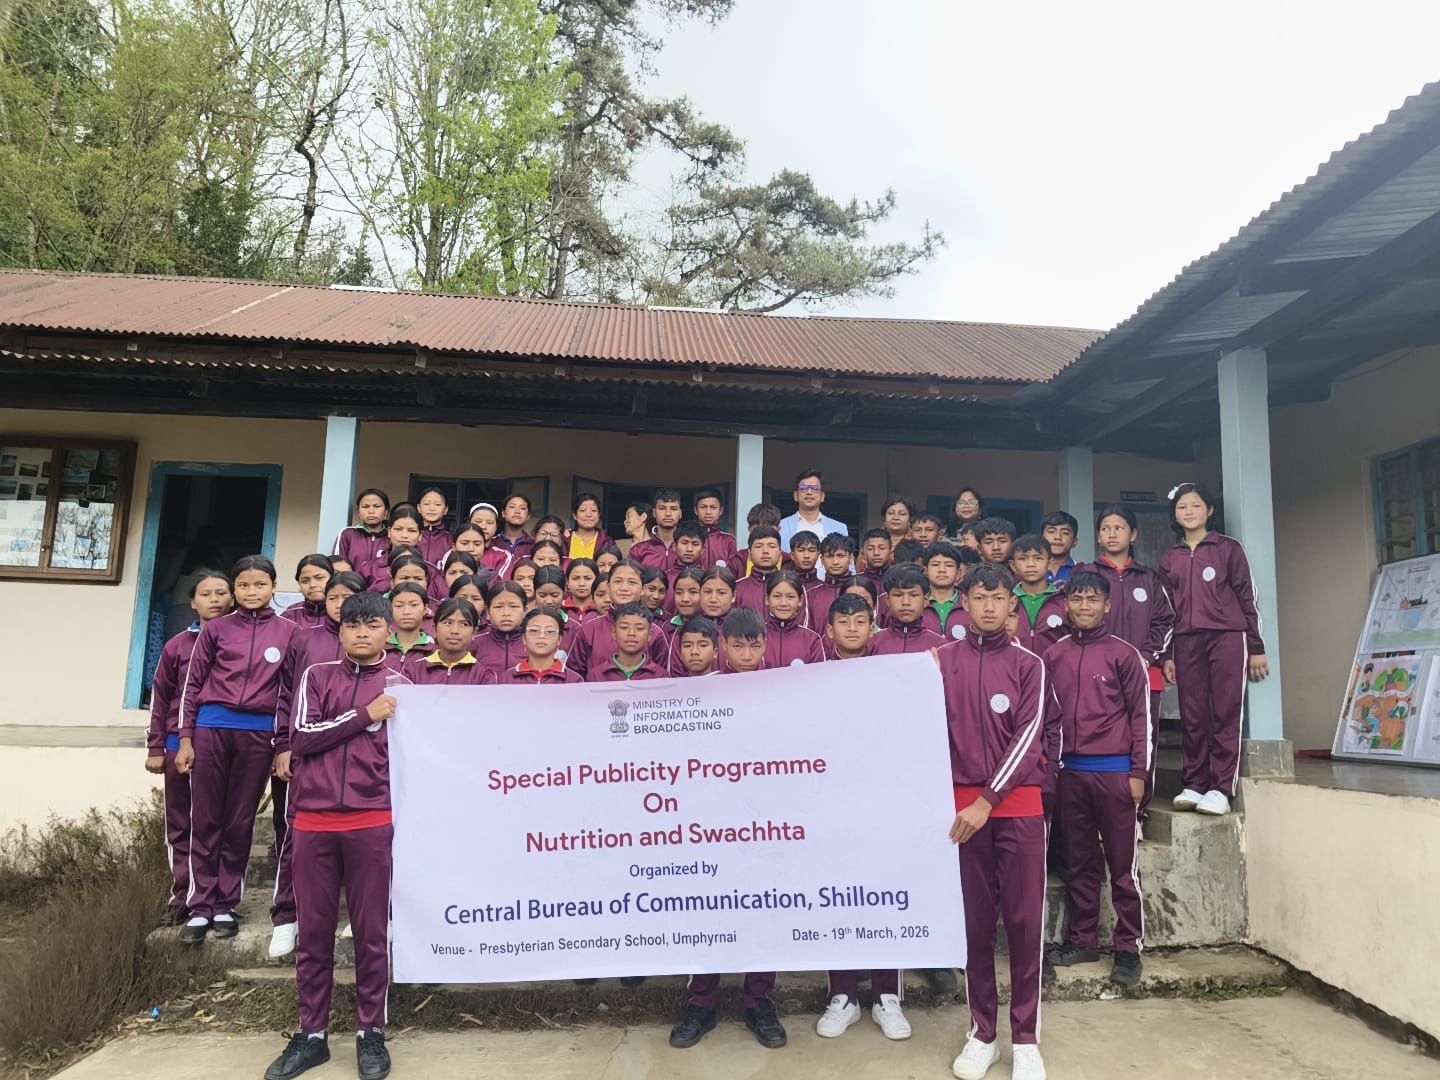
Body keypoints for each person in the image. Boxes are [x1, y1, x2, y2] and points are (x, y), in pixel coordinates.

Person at [264, 591, 403, 1080]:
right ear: (339, 632)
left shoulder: (403, 686)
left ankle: (371, 1033)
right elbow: (302, 737)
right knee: (315, 935)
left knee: (371, 934)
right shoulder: (317, 676)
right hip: (314, 822)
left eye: (372, 625)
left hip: (373, 821)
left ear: (389, 631)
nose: (362, 633)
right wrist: (366, 715)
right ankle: (312, 1035)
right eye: (352, 625)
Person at [937, 564, 1049, 1080]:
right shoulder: (941, 661)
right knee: (975, 926)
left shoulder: (1030, 664)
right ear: (964, 602)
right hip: (961, 814)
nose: (988, 607)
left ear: (1011, 605)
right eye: (979, 597)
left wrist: (987, 799)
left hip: (1017, 809)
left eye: (998, 598)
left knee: (1024, 925)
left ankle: (1025, 1040)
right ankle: (982, 1033)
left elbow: (1029, 737)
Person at [671, 606, 784, 1051]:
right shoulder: (699, 693)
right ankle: (701, 1002)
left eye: (754, 645)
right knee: (705, 907)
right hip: (711, 821)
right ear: (724, 647)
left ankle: (760, 1001)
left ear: (765, 645)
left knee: (763, 906)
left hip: (765, 820)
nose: (747, 654)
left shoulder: (783, 690)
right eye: (738, 645)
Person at [177, 555, 296, 944]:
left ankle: (225, 903)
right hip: (211, 729)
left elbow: (289, 694)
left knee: (240, 821)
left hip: (258, 735)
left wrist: (282, 743)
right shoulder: (216, 630)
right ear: (234, 590)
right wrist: (186, 737)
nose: (251, 592)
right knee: (205, 817)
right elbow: (192, 686)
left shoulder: (289, 632)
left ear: (273, 587)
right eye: (243, 585)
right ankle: (200, 906)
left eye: (260, 584)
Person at [1044, 571, 1150, 987]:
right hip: (1070, 774)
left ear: (1107, 606)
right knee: (1079, 863)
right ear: (1066, 605)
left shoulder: (1125, 655)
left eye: (1092, 600)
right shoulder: (1054, 655)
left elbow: (1142, 718)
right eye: (1077, 599)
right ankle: (1083, 939)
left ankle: (1128, 948)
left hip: (1115, 773)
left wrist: (1138, 773)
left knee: (1123, 867)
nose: (1084, 606)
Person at [818, 592, 910, 1042]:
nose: (852, 628)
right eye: (844, 621)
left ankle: (887, 995)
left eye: (860, 621)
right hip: (831, 801)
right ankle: (844, 995)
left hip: (882, 801)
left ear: (872, 628)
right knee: (837, 895)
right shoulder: (813, 678)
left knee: (884, 893)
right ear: (829, 629)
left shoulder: (892, 674)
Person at [268, 570, 365, 959]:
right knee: (297, 833)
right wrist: (283, 744)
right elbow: (284, 694)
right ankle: (286, 916)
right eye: (334, 597)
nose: (340, 604)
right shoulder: (304, 638)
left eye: (349, 597)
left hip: (361, 760)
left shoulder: (377, 641)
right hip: (310, 752)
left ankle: (355, 916)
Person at [1159, 482, 1268, 817]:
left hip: (1227, 638)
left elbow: (1248, 597)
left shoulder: (1228, 549)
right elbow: (1166, 610)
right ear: (1174, 515)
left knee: (1225, 711)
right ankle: (1194, 783)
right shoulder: (1170, 558)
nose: (1189, 512)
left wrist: (1256, 646)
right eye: (1182, 507)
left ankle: (1221, 787)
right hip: (1186, 640)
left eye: (1195, 505)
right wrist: (1168, 654)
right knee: (1193, 714)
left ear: (1209, 510)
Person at [146, 569, 233, 922]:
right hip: (175, 743)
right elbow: (161, 697)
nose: (214, 599)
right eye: (206, 594)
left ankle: (218, 896)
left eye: (221, 593)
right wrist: (155, 747)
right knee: (181, 823)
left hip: (222, 743)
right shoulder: (177, 646)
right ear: (193, 602)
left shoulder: (239, 643)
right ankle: (182, 895)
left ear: (232, 599)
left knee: (219, 822)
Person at [1078, 506, 1175, 813]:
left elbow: (1165, 621)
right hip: (1095, 674)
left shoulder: (1150, 578)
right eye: (1105, 528)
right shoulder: (1086, 575)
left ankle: (1138, 809)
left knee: (1144, 738)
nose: (1112, 534)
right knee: (1099, 736)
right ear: (1098, 536)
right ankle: (1100, 808)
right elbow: (1076, 618)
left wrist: (1146, 656)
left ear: (1133, 534)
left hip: (1144, 673)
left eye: (1119, 528)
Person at [567, 561, 667, 676]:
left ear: (643, 589)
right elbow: (576, 676)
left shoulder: (654, 633)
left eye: (632, 582)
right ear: (608, 586)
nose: (624, 588)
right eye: (618, 581)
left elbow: (662, 677)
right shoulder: (589, 630)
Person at [405, 598, 495, 686]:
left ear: (474, 632)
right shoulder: (413, 671)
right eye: (448, 623)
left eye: (464, 624)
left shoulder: (483, 676)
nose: (455, 631)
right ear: (434, 629)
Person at [1011, 533, 1070, 656]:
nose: (1031, 564)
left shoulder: (1064, 601)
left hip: (1056, 666)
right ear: (1013, 565)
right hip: (1015, 666)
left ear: (1050, 563)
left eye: (1038, 558)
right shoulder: (1007, 602)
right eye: (1023, 558)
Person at [669, 567, 735, 675]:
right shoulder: (685, 632)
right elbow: (676, 675)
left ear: (733, 596)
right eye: (707, 592)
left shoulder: (741, 628)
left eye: (721, 593)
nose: (713, 599)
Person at [778, 470, 848, 569]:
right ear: (796, 496)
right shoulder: (780, 526)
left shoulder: (839, 528)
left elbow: (848, 565)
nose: (809, 492)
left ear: (822, 496)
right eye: (803, 488)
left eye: (815, 489)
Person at [498, 607, 584, 684]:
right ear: (524, 638)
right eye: (534, 631)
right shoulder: (506, 678)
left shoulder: (574, 680)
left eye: (550, 631)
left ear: (559, 640)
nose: (541, 636)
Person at [871, 565, 944, 654]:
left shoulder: (941, 646)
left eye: (913, 595)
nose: (906, 602)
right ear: (887, 600)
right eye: (898, 595)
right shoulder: (872, 644)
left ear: (925, 600)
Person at [587, 603, 665, 681]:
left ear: (650, 635)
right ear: (614, 632)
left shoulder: (661, 676)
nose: (631, 633)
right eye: (624, 627)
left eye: (639, 628)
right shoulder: (596, 676)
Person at [763, 571, 825, 667]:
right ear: (767, 599)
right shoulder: (757, 637)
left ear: (800, 600)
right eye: (777, 596)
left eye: (790, 597)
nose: (783, 603)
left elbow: (819, 674)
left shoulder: (812, 640)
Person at [331, 488, 390, 588]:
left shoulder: (392, 536)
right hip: (352, 590)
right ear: (358, 512)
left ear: (386, 512)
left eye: (377, 506)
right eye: (365, 506)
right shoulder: (347, 534)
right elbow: (336, 566)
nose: (371, 511)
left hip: (383, 593)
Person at [473, 581, 529, 676]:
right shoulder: (474, 643)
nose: (506, 613)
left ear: (525, 611)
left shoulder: (534, 643)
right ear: (488, 612)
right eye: (498, 607)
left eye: (514, 606)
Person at [922, 542, 970, 641]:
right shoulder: (917, 604)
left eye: (948, 565)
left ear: (958, 573)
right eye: (935, 565)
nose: (942, 570)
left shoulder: (970, 605)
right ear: (926, 571)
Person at [367, 507, 423, 593]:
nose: (404, 535)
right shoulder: (369, 568)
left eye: (411, 530)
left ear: (420, 535)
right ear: (389, 532)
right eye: (398, 529)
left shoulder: (430, 571)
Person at [809, 533, 858, 629]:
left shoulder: (861, 590)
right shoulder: (811, 594)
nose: (835, 562)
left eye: (840, 556)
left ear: (851, 558)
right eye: (830, 556)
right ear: (822, 559)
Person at [384, 582, 434, 670]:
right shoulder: (380, 648)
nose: (406, 612)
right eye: (399, 606)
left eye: (414, 605)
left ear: (425, 609)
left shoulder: (434, 650)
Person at [735, 526, 784, 613]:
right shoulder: (737, 588)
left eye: (771, 546)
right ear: (749, 555)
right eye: (758, 546)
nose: (765, 551)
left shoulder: (791, 587)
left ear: (780, 554)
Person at [632, 488, 683, 570]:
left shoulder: (690, 548)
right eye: (662, 508)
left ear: (680, 514)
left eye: (673, 509)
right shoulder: (639, 550)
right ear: (654, 513)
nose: (668, 514)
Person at [694, 488, 739, 570]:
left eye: (713, 507)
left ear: (721, 510)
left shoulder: (729, 541)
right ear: (696, 510)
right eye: (703, 507)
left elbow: (734, 570)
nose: (708, 512)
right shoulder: (688, 539)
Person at [284, 555, 333, 629]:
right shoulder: (290, 615)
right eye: (305, 581)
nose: (312, 585)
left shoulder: (342, 612)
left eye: (319, 578)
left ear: (332, 578)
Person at [823, 593, 876, 660]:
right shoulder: (823, 666)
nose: (852, 628)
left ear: (871, 629)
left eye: (860, 621)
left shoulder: (883, 665)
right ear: (830, 630)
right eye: (843, 622)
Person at [492, 493, 535, 568]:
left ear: (528, 516)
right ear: (503, 513)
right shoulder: (492, 543)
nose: (517, 511)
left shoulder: (534, 545)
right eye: (512, 507)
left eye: (522, 508)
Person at [414, 486, 454, 566]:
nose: (432, 508)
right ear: (418, 508)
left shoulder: (451, 539)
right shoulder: (410, 536)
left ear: (445, 510)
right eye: (426, 504)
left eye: (437, 504)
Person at [567, 493, 610, 561]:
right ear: (574, 515)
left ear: (599, 515)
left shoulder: (607, 542)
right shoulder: (565, 539)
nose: (588, 515)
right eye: (583, 510)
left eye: (593, 511)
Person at [1041, 511, 1079, 585]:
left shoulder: (1083, 572)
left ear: (1075, 542)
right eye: (1051, 531)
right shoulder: (1029, 571)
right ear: (1041, 539)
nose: (1057, 537)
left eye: (1065, 533)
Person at [563, 559, 602, 627]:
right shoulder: (560, 608)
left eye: (588, 578)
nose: (581, 583)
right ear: (567, 582)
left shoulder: (604, 608)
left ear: (597, 581)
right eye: (576, 578)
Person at [787, 530, 822, 601]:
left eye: (811, 550)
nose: (806, 556)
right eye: (801, 550)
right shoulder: (783, 586)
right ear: (792, 555)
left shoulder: (823, 588)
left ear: (818, 555)